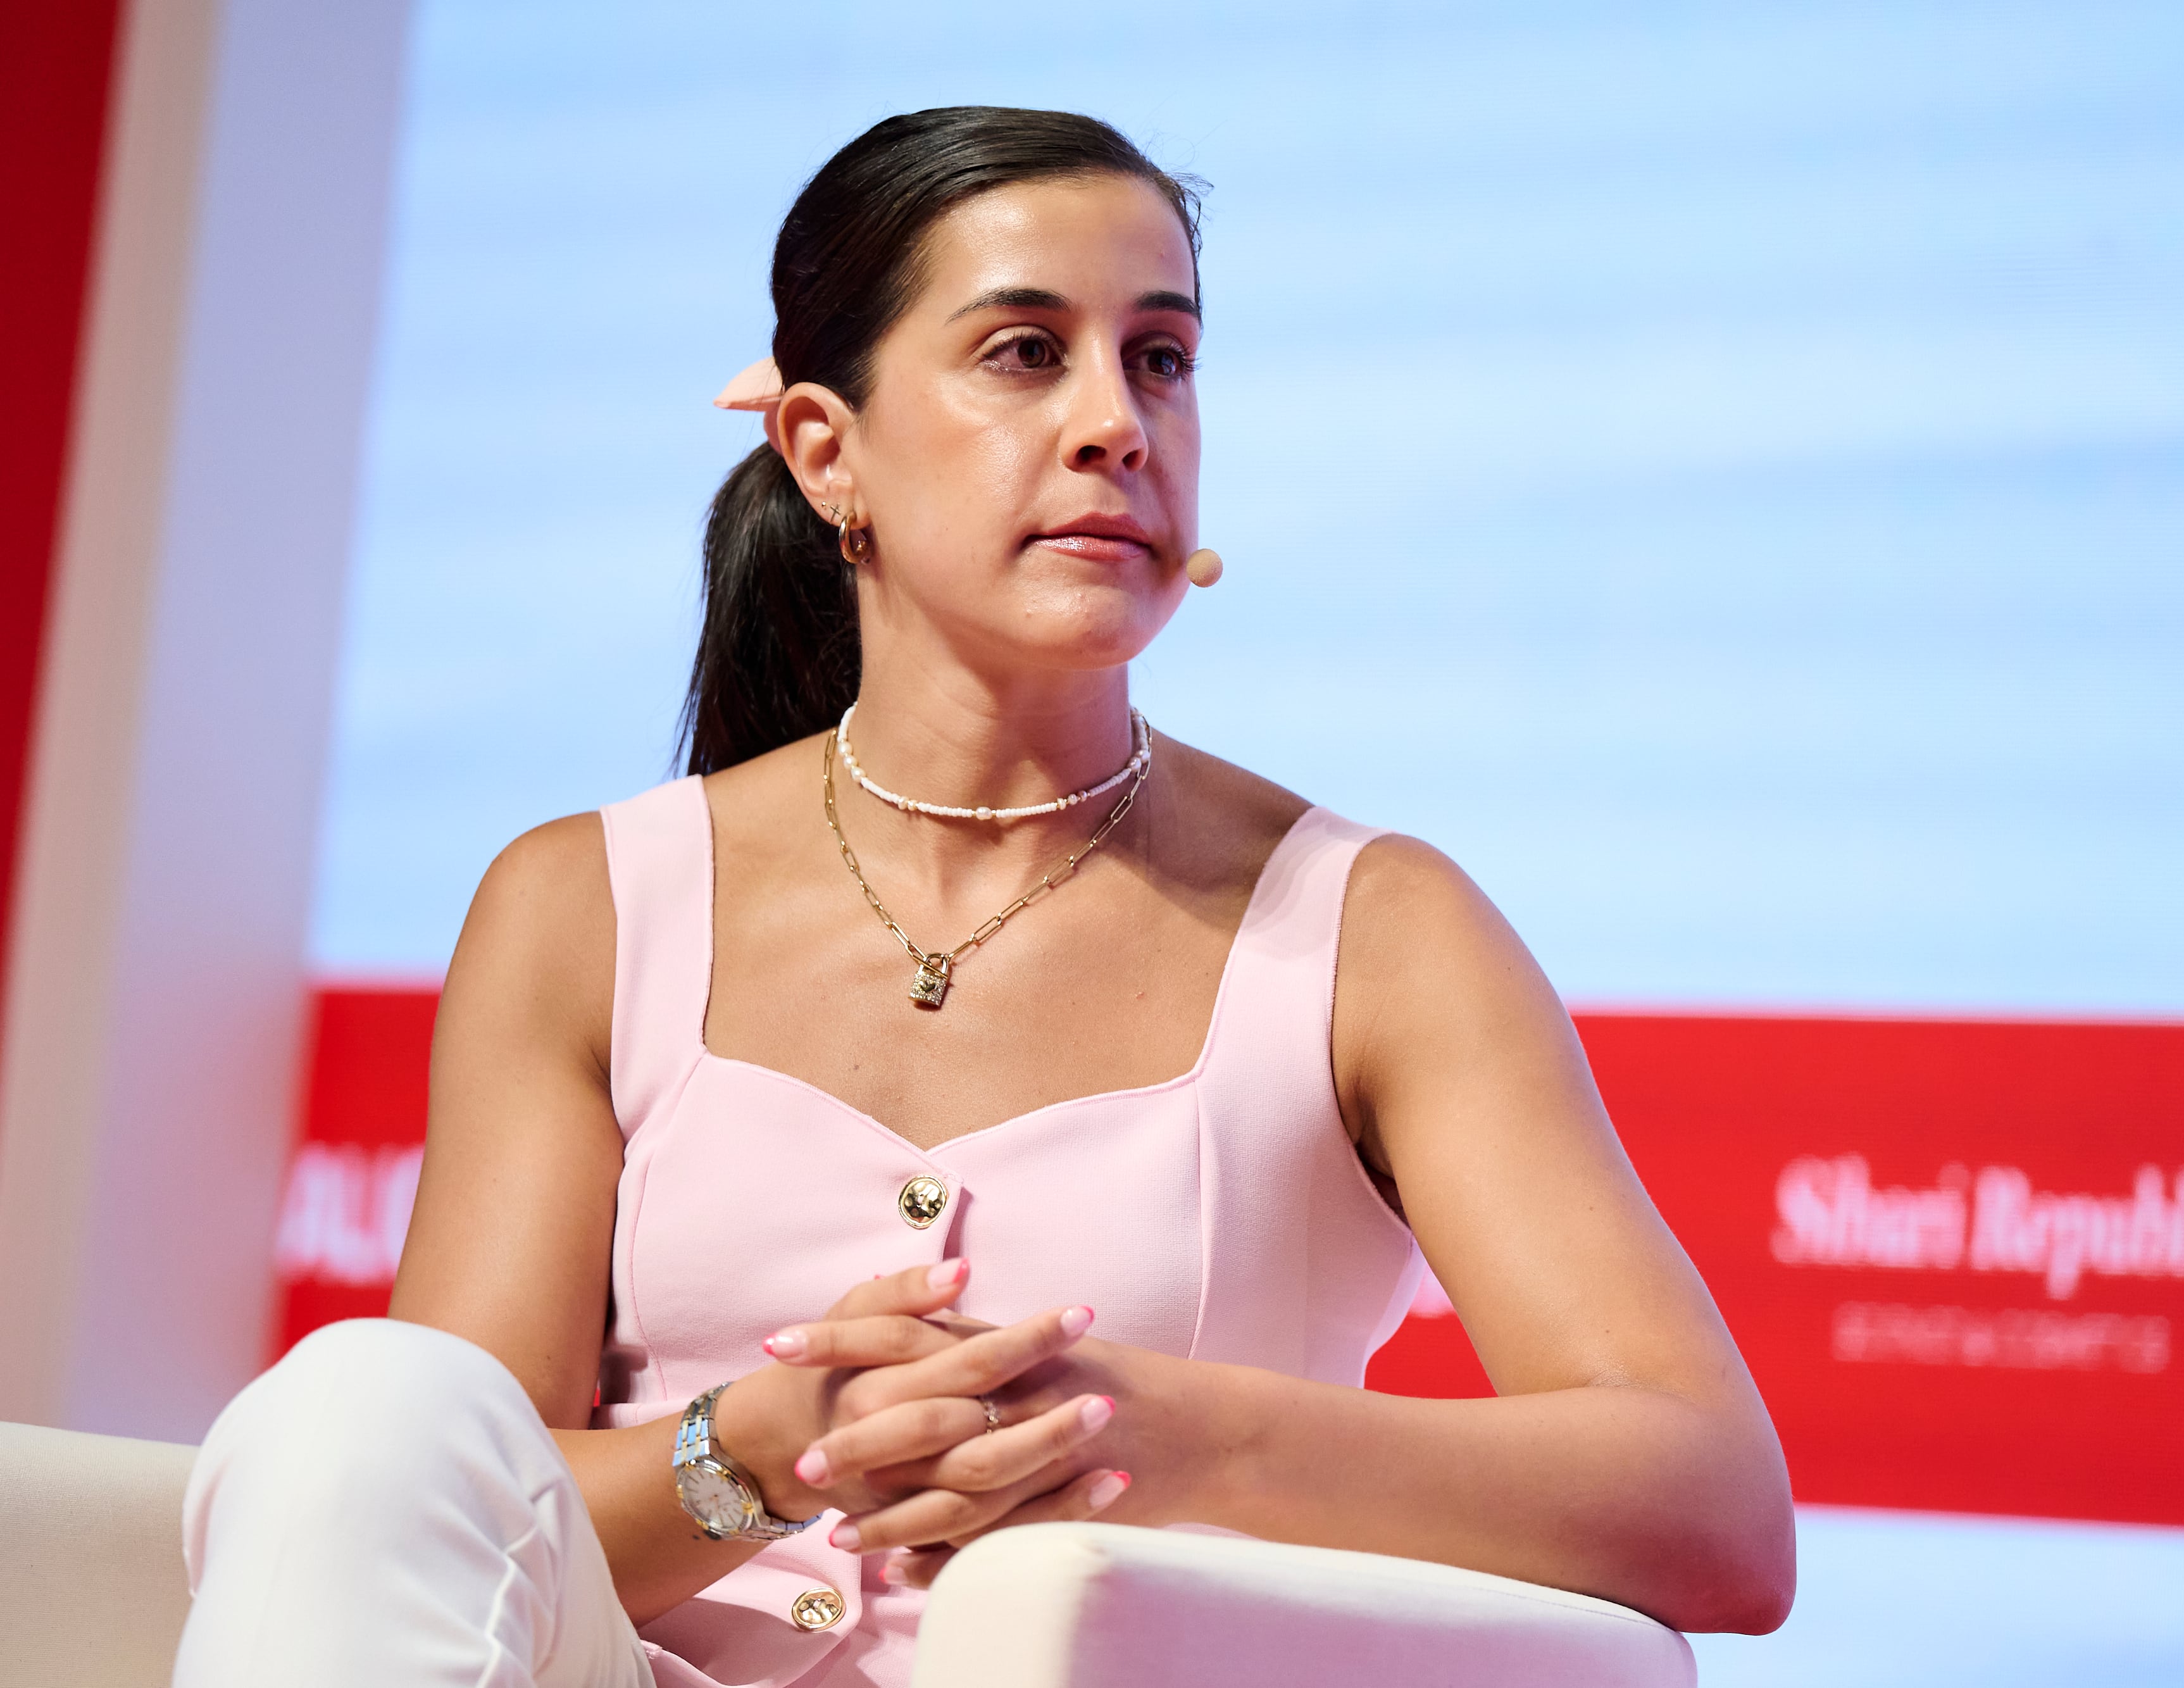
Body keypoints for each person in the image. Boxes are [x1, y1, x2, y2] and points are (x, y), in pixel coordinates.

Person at [173, 106, 1795, 1687]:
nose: (1116, 420)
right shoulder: (582, 902)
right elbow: (455, 1506)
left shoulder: (1376, 928)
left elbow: (1716, 1513)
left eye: (1159, 357)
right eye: (1027, 353)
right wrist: (759, 1448)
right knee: (366, 1405)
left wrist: (1161, 1434)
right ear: (827, 451)